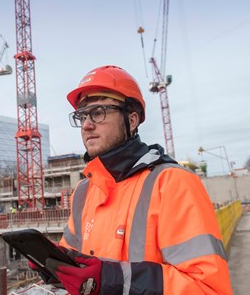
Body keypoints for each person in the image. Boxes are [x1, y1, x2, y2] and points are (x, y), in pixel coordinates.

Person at [39, 66, 232, 294]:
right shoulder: (83, 191)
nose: (86, 125)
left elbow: (208, 288)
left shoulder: (172, 184)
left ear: (131, 121)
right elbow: (76, 264)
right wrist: (55, 265)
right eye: (82, 115)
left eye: (98, 112)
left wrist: (112, 280)